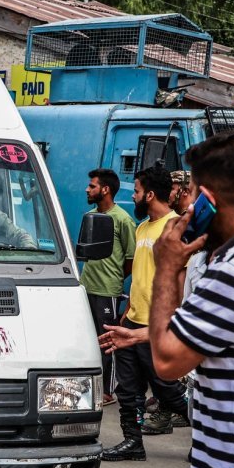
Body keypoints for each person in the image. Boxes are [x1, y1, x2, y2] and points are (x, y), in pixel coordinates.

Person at [149, 130, 234, 468]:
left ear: (209, 201)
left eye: (192, 193)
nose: (186, 203)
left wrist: (168, 268)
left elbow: (167, 359)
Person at [101, 165, 188, 462]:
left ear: (149, 194)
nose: (134, 196)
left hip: (159, 327)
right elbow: (140, 275)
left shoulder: (177, 227)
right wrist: (126, 313)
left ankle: (209, 437)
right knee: (129, 390)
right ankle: (132, 443)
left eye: (137, 191)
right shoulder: (141, 228)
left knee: (169, 391)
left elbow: (180, 281)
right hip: (132, 323)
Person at [79, 168, 135, 404]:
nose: (87, 189)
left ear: (105, 189)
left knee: (108, 342)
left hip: (107, 291)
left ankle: (107, 391)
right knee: (87, 339)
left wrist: (114, 280)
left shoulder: (122, 219)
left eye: (92, 186)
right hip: (86, 287)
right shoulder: (90, 216)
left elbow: (131, 258)